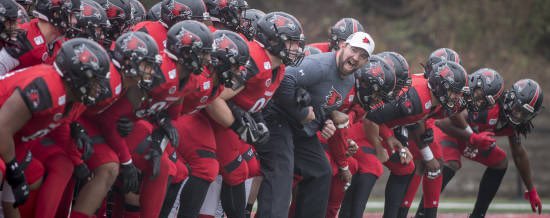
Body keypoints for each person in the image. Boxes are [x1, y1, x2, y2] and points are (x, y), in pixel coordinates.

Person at [259, 31, 374, 217]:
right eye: (354, 50)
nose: (356, 58)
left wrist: (323, 122)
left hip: (299, 125)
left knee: (320, 171)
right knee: (281, 172)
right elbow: (283, 79)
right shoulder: (321, 65)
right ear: (343, 46)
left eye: (362, 56)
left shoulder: (349, 79)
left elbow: (321, 104)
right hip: (277, 117)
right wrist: (302, 113)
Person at [204, 11, 305, 218]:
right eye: (292, 43)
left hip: (229, 119)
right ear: (273, 40)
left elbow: (253, 100)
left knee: (252, 167)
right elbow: (214, 97)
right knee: (235, 171)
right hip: (213, 120)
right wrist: (238, 124)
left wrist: (257, 120)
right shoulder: (254, 62)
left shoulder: (278, 67)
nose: (297, 48)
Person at [0, 38, 111, 215]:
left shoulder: (71, 98)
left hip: (14, 139)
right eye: (95, 81)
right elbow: (2, 128)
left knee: (31, 179)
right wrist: (12, 167)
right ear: (77, 76)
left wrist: (76, 159)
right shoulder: (46, 87)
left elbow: (56, 126)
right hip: (4, 132)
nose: (99, 88)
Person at [418, 77, 544, 217]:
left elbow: (519, 154)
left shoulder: (514, 124)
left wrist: (531, 189)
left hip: (472, 138)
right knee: (451, 163)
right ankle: (422, 213)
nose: (518, 115)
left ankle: (478, 215)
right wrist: (472, 138)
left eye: (525, 114)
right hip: (450, 131)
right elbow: (443, 123)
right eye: (517, 109)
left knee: (500, 161)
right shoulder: (490, 108)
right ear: (511, 99)